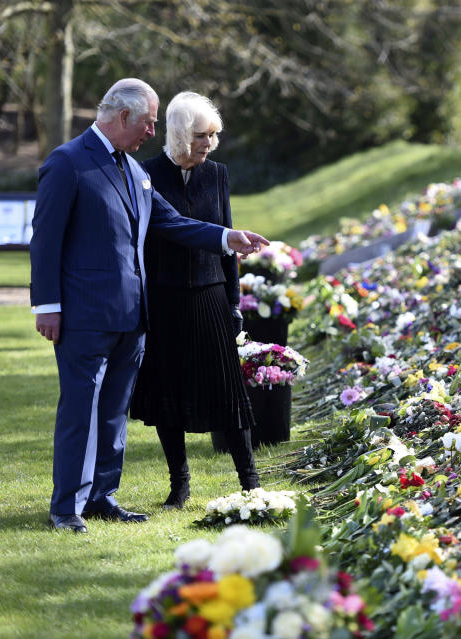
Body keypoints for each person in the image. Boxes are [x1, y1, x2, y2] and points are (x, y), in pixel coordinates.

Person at [30, 78, 269, 534]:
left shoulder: (134, 171)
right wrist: (47, 306)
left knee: (114, 412)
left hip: (133, 318)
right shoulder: (67, 164)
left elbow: (172, 222)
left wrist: (226, 238)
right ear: (123, 117)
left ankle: (102, 496)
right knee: (80, 409)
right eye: (148, 122)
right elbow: (45, 242)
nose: (152, 133)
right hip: (84, 318)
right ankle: (66, 508)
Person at [129, 92, 259, 510]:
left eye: (214, 135)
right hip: (164, 299)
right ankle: (179, 485)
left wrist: (235, 301)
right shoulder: (146, 174)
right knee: (169, 396)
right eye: (203, 135)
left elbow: (227, 239)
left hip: (210, 296)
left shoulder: (217, 174)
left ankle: (250, 483)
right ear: (182, 134)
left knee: (228, 393)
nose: (210, 144)